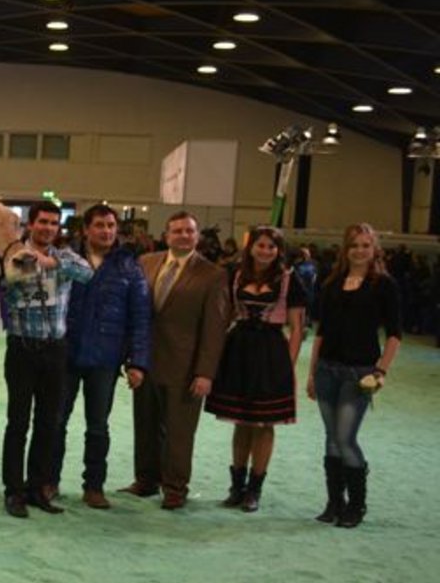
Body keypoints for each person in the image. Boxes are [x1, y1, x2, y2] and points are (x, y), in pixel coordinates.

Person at [122, 211, 230, 510]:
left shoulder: (213, 275)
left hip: (186, 368)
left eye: (189, 231)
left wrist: (205, 373)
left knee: (179, 433)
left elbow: (215, 328)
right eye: (178, 231)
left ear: (197, 237)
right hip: (144, 362)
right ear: (167, 235)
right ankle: (145, 480)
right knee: (144, 425)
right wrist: (130, 356)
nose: (184, 235)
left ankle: (175, 488)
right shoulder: (146, 263)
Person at [49, 204, 150, 510]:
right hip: (65, 355)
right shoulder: (66, 260)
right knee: (56, 422)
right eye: (100, 226)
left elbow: (141, 318)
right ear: (86, 230)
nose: (106, 231)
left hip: (106, 360)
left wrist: (138, 362)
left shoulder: (129, 268)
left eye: (110, 226)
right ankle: (48, 481)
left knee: (98, 426)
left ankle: (94, 486)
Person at [0, 201, 94, 518]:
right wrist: (27, 265)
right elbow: (6, 285)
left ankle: (36, 488)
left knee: (48, 423)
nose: (48, 228)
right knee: (18, 422)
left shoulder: (64, 256)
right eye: (43, 222)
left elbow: (88, 274)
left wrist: (49, 262)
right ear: (31, 223)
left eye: (54, 223)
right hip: (22, 348)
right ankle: (13, 491)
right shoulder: (14, 255)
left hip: (55, 349)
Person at [205, 226, 307, 512]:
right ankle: (236, 486)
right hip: (239, 349)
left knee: (263, 423)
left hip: (271, 351)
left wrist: (289, 363)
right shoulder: (236, 275)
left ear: (279, 251)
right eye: (260, 246)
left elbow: (298, 328)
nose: (265, 251)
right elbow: (225, 315)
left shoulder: (289, 280)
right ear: (251, 248)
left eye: (271, 247)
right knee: (241, 420)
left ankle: (255, 488)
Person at [306, 224, 401, 528]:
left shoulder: (384, 286)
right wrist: (311, 372)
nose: (359, 251)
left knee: (346, 438)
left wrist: (381, 370)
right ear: (345, 250)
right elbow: (321, 331)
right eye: (354, 245)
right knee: (330, 439)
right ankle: (335, 503)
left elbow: (395, 334)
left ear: (374, 249)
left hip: (359, 375)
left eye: (365, 245)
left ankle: (357, 506)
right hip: (326, 371)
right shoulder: (331, 283)